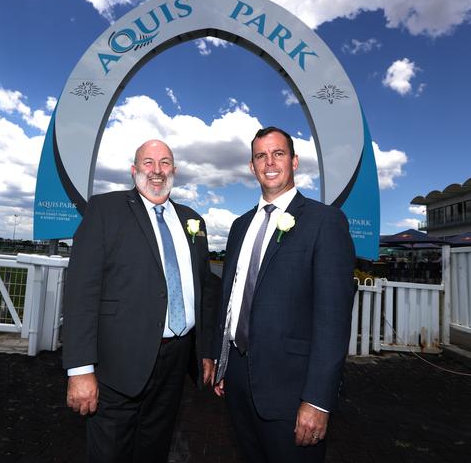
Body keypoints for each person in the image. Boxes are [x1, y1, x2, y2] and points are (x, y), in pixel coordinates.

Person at [62, 139, 218, 462]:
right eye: (148, 163)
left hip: (176, 362)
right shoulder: (105, 210)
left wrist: (205, 352)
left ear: (174, 171)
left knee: (154, 450)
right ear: (134, 171)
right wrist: (79, 369)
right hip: (118, 366)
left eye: (164, 163)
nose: (157, 171)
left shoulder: (194, 222)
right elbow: (81, 291)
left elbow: (203, 289)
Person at [213, 126, 356, 462]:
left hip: (292, 391)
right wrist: (222, 364)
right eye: (261, 156)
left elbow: (333, 320)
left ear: (294, 161)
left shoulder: (325, 222)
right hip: (237, 378)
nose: (269, 162)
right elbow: (231, 299)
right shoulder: (239, 226)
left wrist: (318, 399)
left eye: (278, 154)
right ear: (251, 166)